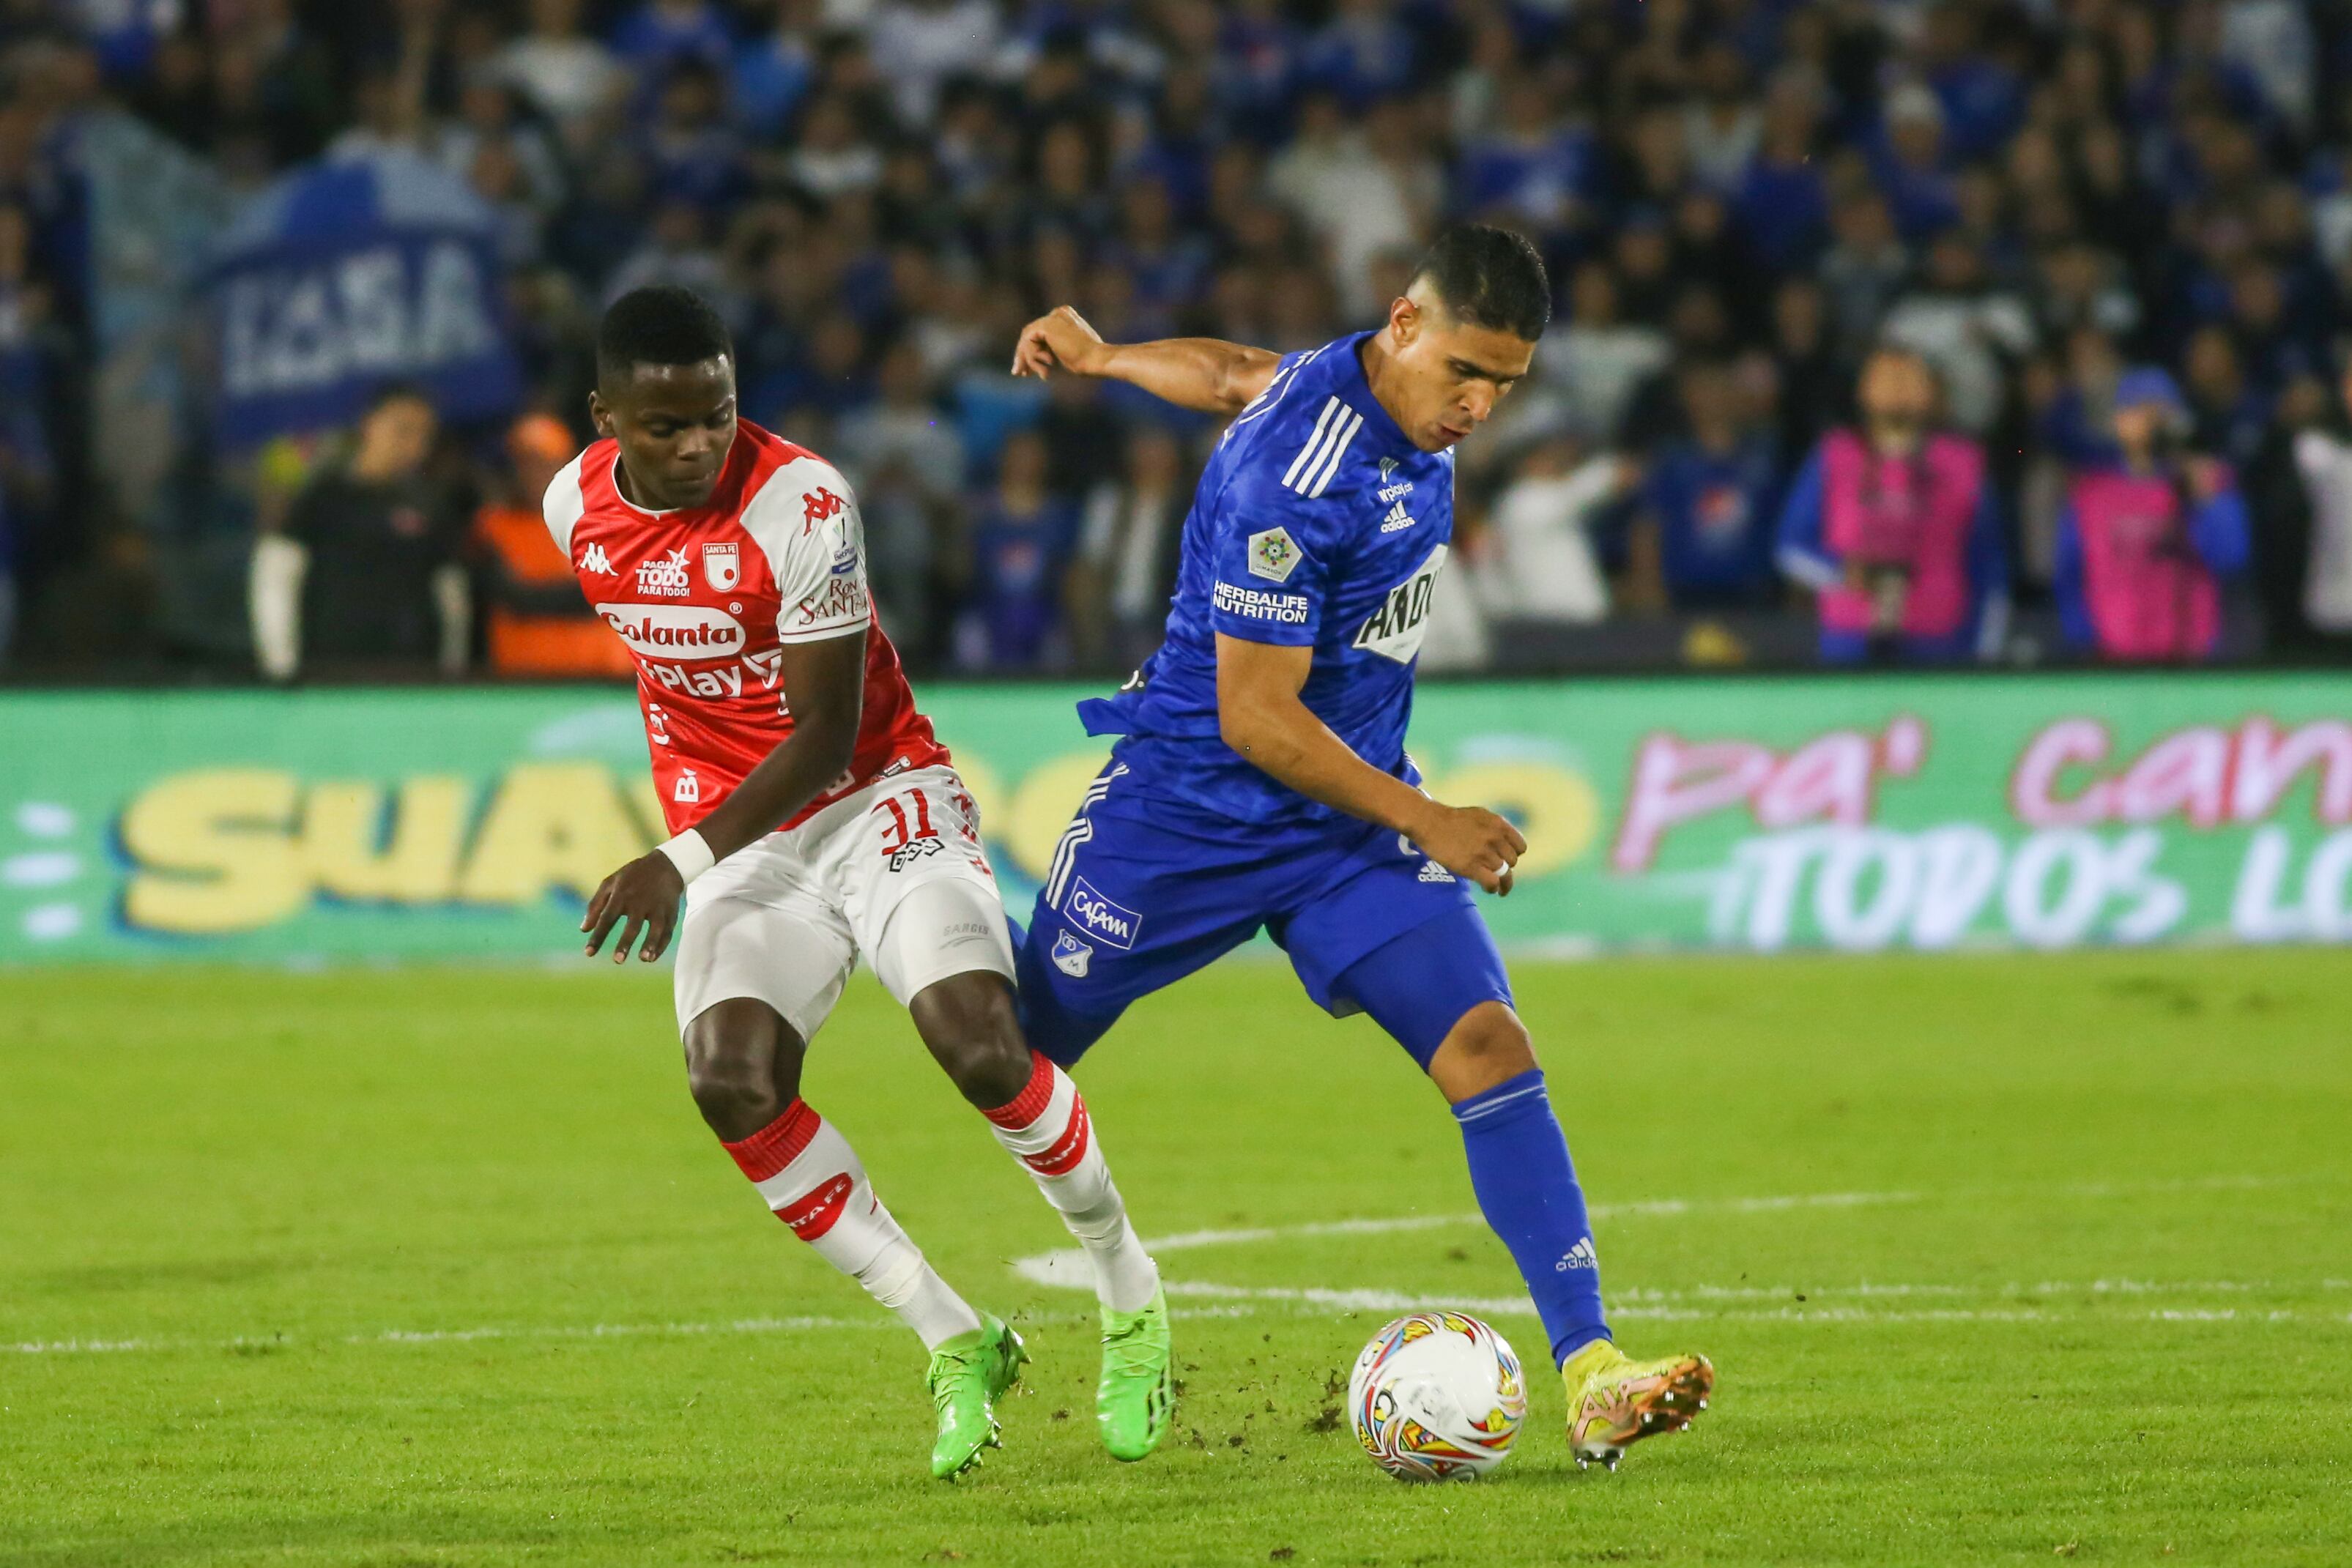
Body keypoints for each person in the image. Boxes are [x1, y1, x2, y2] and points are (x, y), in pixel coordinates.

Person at [1006, 226, 1713, 1471]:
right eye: (1466, 372)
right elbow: (1256, 717)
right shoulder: (1296, 476)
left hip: (1343, 834)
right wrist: (1430, 815)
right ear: (1402, 322)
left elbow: (1233, 369)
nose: (1481, 407)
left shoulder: (1367, 394)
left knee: (1490, 1046)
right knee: (1013, 1052)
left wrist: (1110, 355)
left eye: (1507, 382)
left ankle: (1591, 1366)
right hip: (1186, 814)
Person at [552, 287, 1173, 1479]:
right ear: (605, 419)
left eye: (717, 416)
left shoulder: (805, 502)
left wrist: (676, 859)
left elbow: (827, 735)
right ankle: (954, 1338)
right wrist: (702, 834)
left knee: (979, 1042)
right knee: (728, 1080)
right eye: (664, 427)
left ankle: (1129, 1289)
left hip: (876, 796)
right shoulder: (568, 506)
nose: (696, 447)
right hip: (745, 842)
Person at [1776, 346, 2008, 664]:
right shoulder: (1836, 455)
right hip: (1850, 638)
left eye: (1910, 378)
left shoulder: (1963, 462)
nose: (1897, 388)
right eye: (1885, 378)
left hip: (1940, 639)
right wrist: (1846, 573)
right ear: (1864, 390)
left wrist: (1985, 654)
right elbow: (1790, 546)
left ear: (1932, 391)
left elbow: (1989, 567)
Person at [250, 385, 469, 683]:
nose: (414, 445)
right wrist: (280, 662)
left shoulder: (431, 505)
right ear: (369, 424)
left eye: (424, 435)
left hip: (413, 678)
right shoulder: (324, 497)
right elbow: (276, 575)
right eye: (403, 429)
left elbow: (450, 593)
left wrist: (452, 668)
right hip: (331, 675)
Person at [2053, 367, 2250, 663]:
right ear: (2119, 421)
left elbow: (2231, 557)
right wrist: (2084, 639)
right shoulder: (2093, 493)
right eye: (2140, 411)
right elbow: (2069, 572)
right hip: (2115, 654)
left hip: (2189, 653)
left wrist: (2203, 499)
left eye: (2161, 412)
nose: (2152, 422)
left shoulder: (2207, 479)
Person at [472, 413, 637, 678]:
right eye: (524, 463)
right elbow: (512, 597)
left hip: (603, 680)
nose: (533, 473)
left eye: (544, 463)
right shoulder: (493, 525)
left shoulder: (608, 523)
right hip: (520, 682)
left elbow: (618, 593)